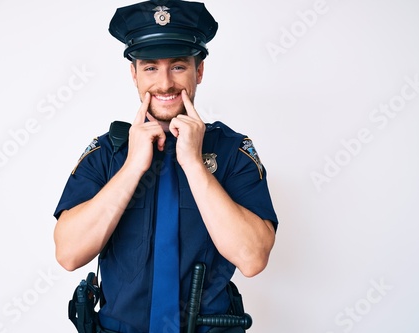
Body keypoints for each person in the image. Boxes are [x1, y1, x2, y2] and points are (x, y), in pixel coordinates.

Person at [53, 1, 278, 332]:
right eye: (150, 68)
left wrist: (194, 165)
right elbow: (69, 254)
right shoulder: (107, 152)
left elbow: (252, 258)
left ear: (198, 70)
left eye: (177, 66)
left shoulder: (231, 151)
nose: (164, 84)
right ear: (134, 74)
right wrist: (132, 168)